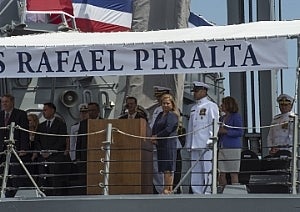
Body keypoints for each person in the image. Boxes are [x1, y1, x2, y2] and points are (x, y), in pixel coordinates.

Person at [185, 81, 219, 194]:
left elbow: (214, 124)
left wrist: (211, 140)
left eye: (197, 91)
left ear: (204, 91)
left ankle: (208, 192)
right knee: (195, 171)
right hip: (195, 144)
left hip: (206, 144)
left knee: (207, 169)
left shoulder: (211, 106)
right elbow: (191, 128)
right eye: (194, 91)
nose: (194, 94)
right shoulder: (194, 108)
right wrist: (189, 143)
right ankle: (197, 192)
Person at [33, 102, 69, 196]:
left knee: (55, 180)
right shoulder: (41, 126)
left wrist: (50, 152)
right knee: (43, 179)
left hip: (55, 157)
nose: (44, 112)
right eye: (43, 110)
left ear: (52, 110)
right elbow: (37, 140)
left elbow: (61, 140)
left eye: (45, 110)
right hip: (42, 157)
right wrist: (41, 151)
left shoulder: (60, 124)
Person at [0, 94, 30, 197]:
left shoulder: (20, 114)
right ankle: (5, 193)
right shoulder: (0, 115)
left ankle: (15, 193)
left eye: (6, 101)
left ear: (12, 102)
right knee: (3, 172)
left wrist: (23, 148)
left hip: (15, 149)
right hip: (2, 150)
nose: (4, 104)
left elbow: (24, 133)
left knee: (14, 173)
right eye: (3, 102)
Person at [151, 94, 179, 194]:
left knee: (168, 167)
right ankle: (165, 188)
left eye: (168, 103)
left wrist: (157, 136)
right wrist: (153, 136)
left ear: (172, 104)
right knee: (163, 167)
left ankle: (168, 188)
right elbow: (155, 126)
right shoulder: (160, 115)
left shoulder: (172, 115)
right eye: (163, 103)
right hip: (161, 144)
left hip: (168, 143)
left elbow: (168, 129)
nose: (165, 105)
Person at [218, 96, 243, 189]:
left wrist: (227, 132)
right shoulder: (222, 118)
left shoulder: (236, 117)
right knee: (221, 171)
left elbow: (240, 132)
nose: (221, 106)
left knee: (233, 172)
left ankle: (235, 191)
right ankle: (222, 190)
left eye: (223, 104)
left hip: (233, 147)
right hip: (222, 146)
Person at [76, 102, 102, 194]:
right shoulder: (83, 124)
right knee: (84, 178)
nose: (90, 112)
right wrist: (77, 156)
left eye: (93, 110)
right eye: (89, 110)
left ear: (98, 111)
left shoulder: (104, 122)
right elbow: (79, 140)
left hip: (100, 155)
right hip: (85, 156)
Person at [149, 86, 171, 194]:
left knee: (164, 169)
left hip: (164, 142)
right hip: (155, 142)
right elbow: (153, 125)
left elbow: (169, 128)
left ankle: (165, 189)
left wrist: (156, 137)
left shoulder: (169, 112)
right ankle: (160, 190)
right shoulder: (157, 110)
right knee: (156, 169)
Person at [27, 113, 40, 178]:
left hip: (36, 155)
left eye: (29, 120)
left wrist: (35, 153)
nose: (28, 122)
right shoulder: (24, 132)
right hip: (27, 154)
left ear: (34, 121)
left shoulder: (38, 132)